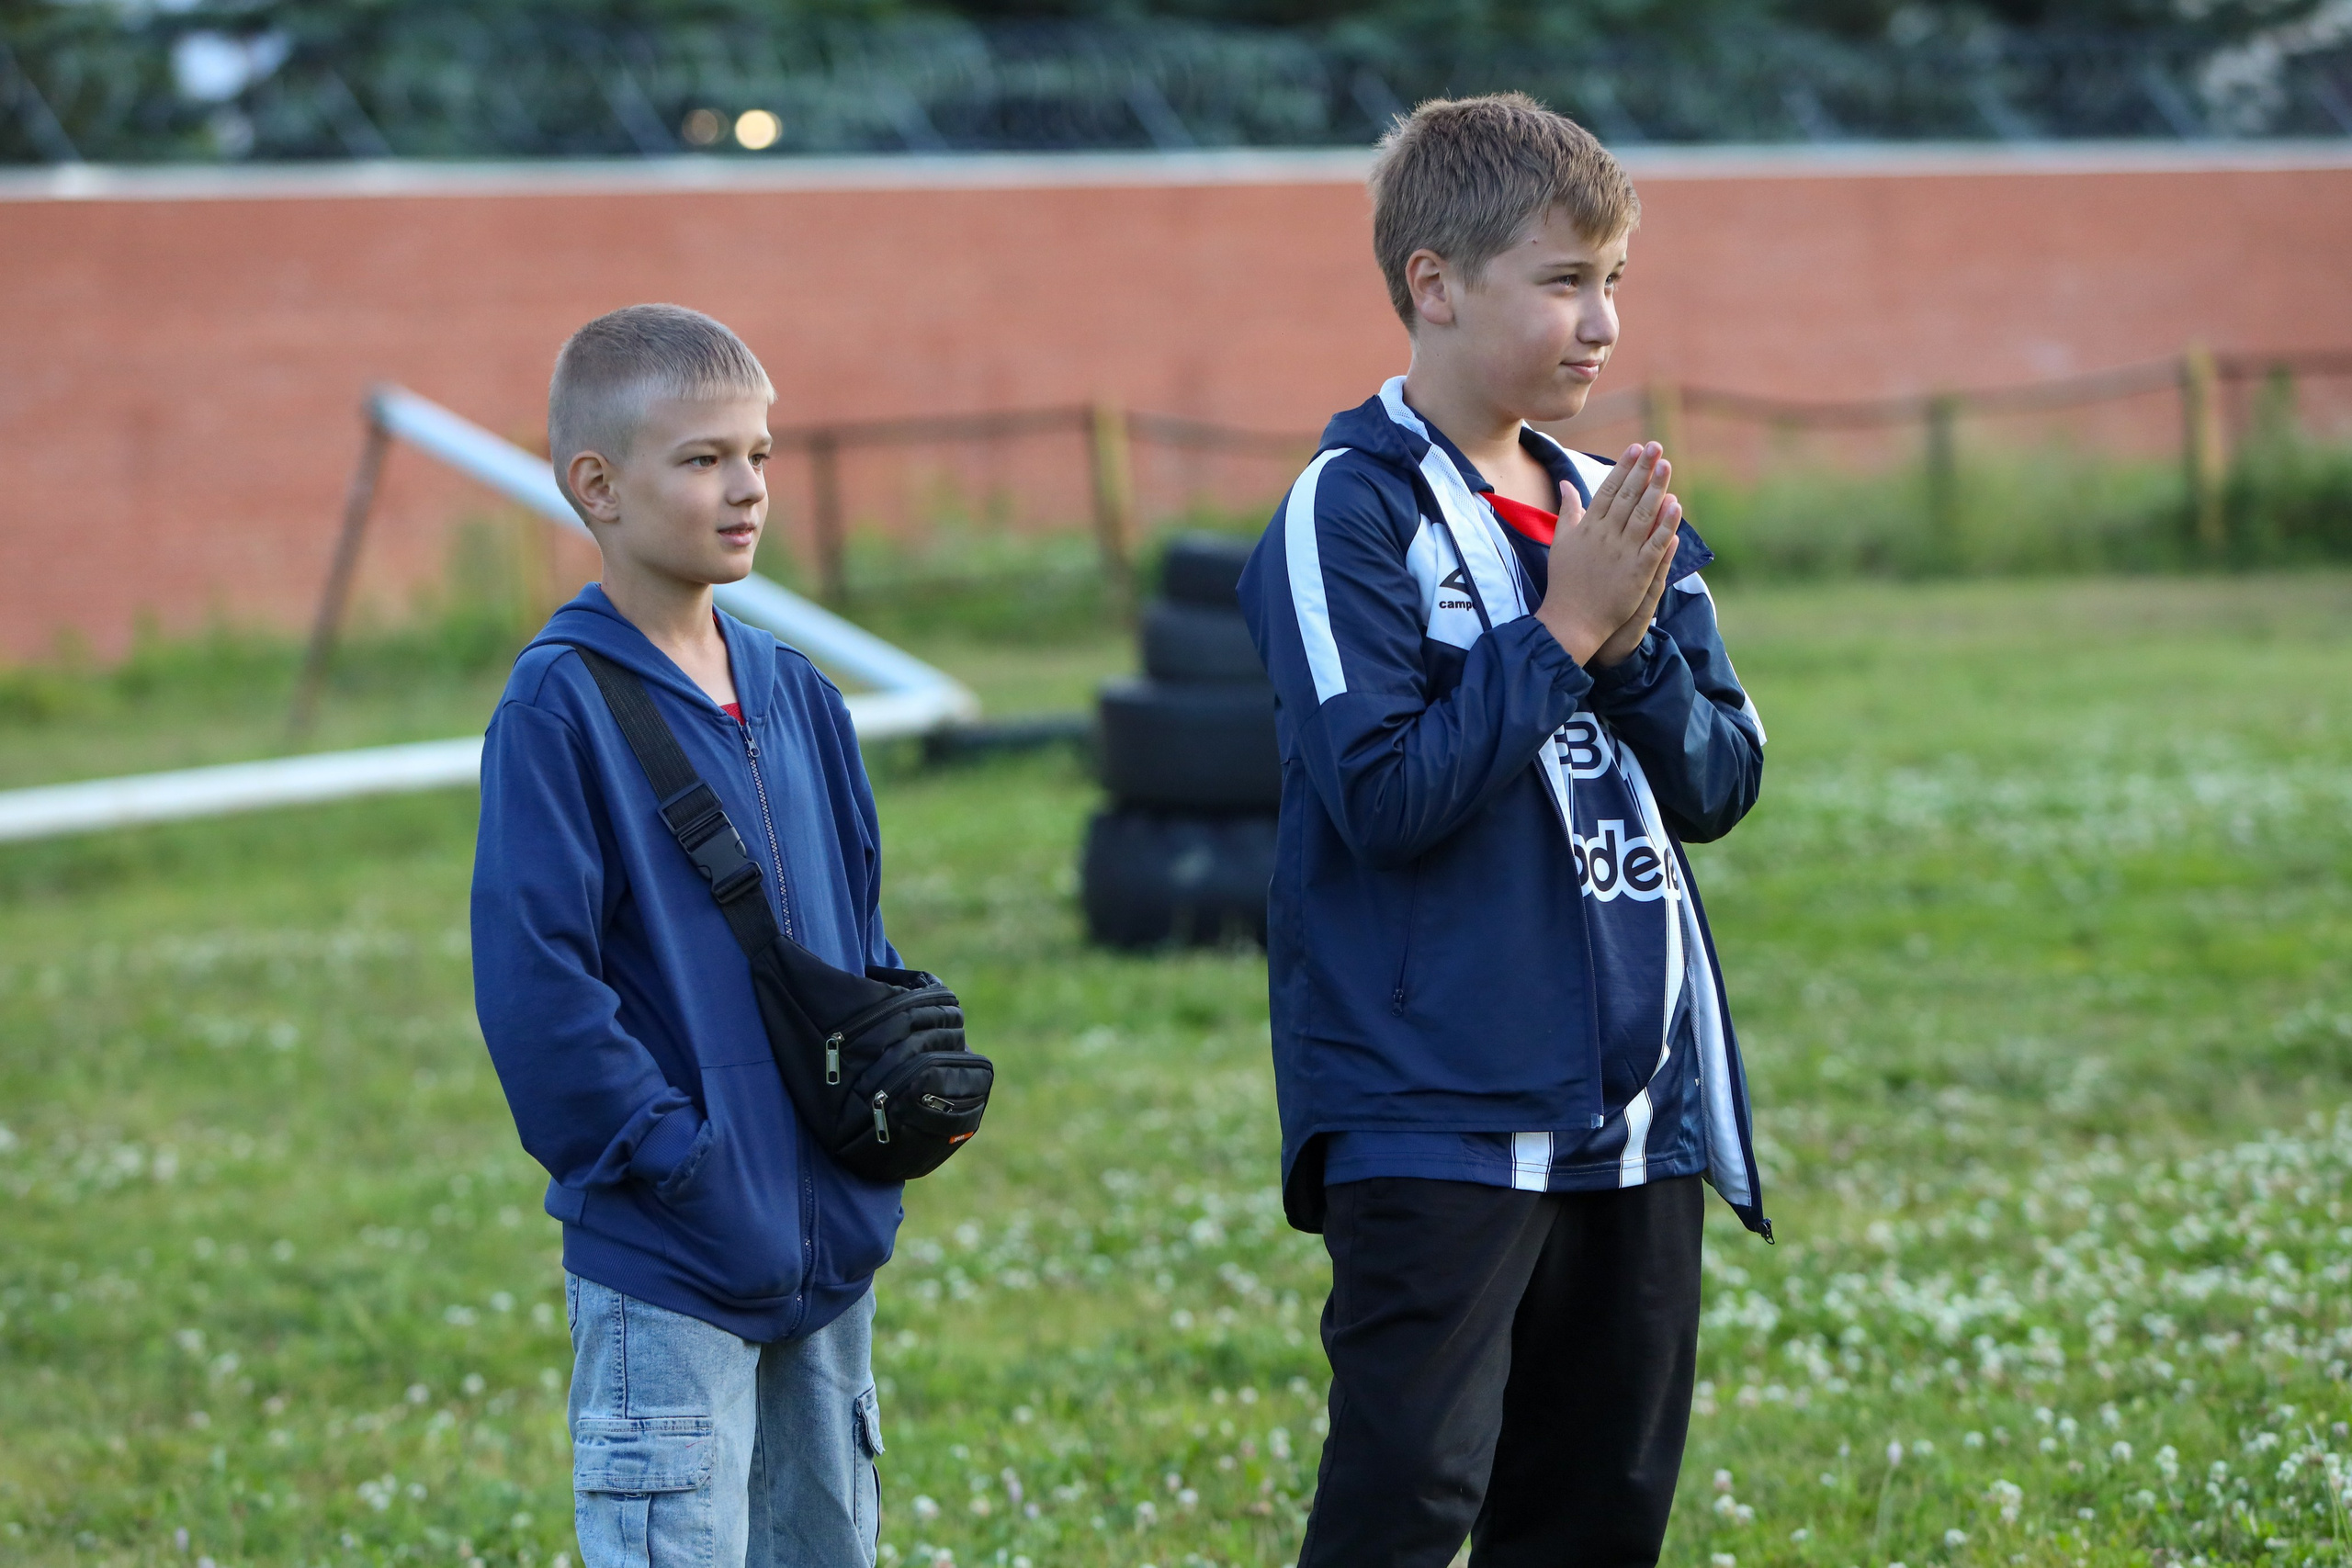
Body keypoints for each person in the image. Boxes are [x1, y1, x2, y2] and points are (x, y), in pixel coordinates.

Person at [1236, 95, 1771, 1568]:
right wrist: (1562, 629)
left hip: (1639, 1114)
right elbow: (1386, 796)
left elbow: (1722, 783)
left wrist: (1630, 640)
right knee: (1410, 1498)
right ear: (1435, 284)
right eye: (1562, 281)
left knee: (1600, 1506)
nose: (1600, 323)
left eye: (1614, 283)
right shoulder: (1348, 512)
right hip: (1439, 1109)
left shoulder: (1616, 509)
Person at [471, 304, 897, 1568]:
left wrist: (888, 1099)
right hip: (668, 1261)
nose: (748, 489)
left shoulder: (799, 693)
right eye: (703, 460)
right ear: (595, 486)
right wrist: (676, 1161)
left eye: (758, 455)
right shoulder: (557, 706)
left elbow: (857, 947)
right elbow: (537, 988)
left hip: (825, 1259)